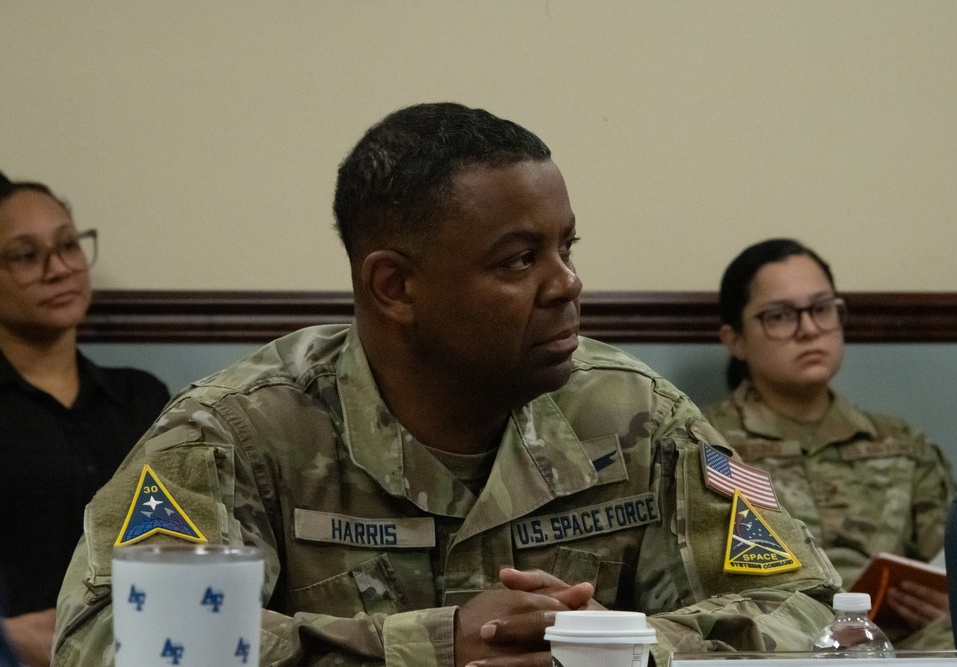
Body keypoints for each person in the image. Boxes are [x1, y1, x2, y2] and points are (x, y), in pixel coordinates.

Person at [53, 104, 841, 667]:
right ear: (395, 286)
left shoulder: (643, 413)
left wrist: (620, 645)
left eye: (567, 246)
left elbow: (813, 606)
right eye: (518, 260)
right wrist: (430, 646)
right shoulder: (231, 433)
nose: (568, 284)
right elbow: (109, 641)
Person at [702, 238, 957, 649]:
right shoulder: (705, 444)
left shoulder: (902, 446)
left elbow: (953, 570)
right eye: (780, 316)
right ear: (735, 340)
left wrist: (951, 605)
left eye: (821, 309)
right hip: (772, 645)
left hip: (893, 648)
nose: (808, 330)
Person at [0, 175, 170, 667]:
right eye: (27, 256)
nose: (59, 269)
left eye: (69, 245)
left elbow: (178, 539)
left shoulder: (141, 398)